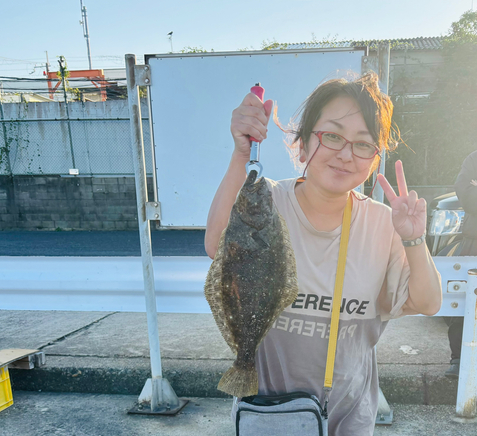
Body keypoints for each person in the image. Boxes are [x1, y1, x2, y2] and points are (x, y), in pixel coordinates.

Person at [204, 73, 442, 436]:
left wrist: (413, 239)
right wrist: (241, 153)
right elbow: (215, 245)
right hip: (269, 417)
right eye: (332, 136)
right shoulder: (265, 200)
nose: (346, 154)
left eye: (363, 144)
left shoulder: (384, 223)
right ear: (301, 144)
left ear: (374, 159)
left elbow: (428, 302)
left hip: (348, 419)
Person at [445, 150, 477, 378]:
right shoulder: (474, 159)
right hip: (474, 242)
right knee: (465, 299)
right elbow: (467, 196)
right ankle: (458, 358)